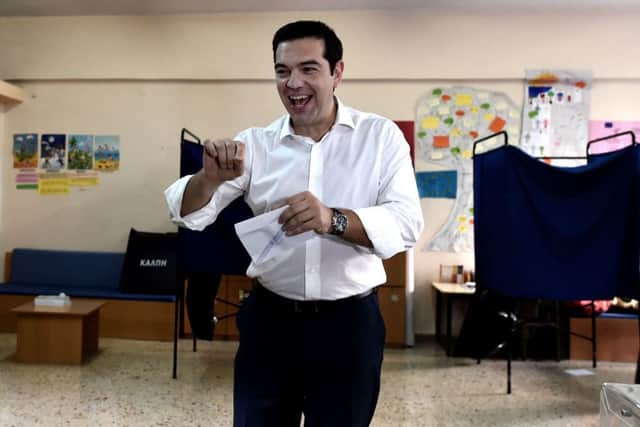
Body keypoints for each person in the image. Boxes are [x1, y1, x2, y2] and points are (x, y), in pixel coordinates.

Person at [165, 20, 423, 427]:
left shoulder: (380, 138)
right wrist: (208, 177)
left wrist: (332, 219)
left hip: (349, 325)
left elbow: (407, 222)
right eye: (282, 71)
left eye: (308, 69)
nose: (293, 83)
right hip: (270, 322)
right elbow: (189, 213)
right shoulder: (257, 144)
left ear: (337, 72)